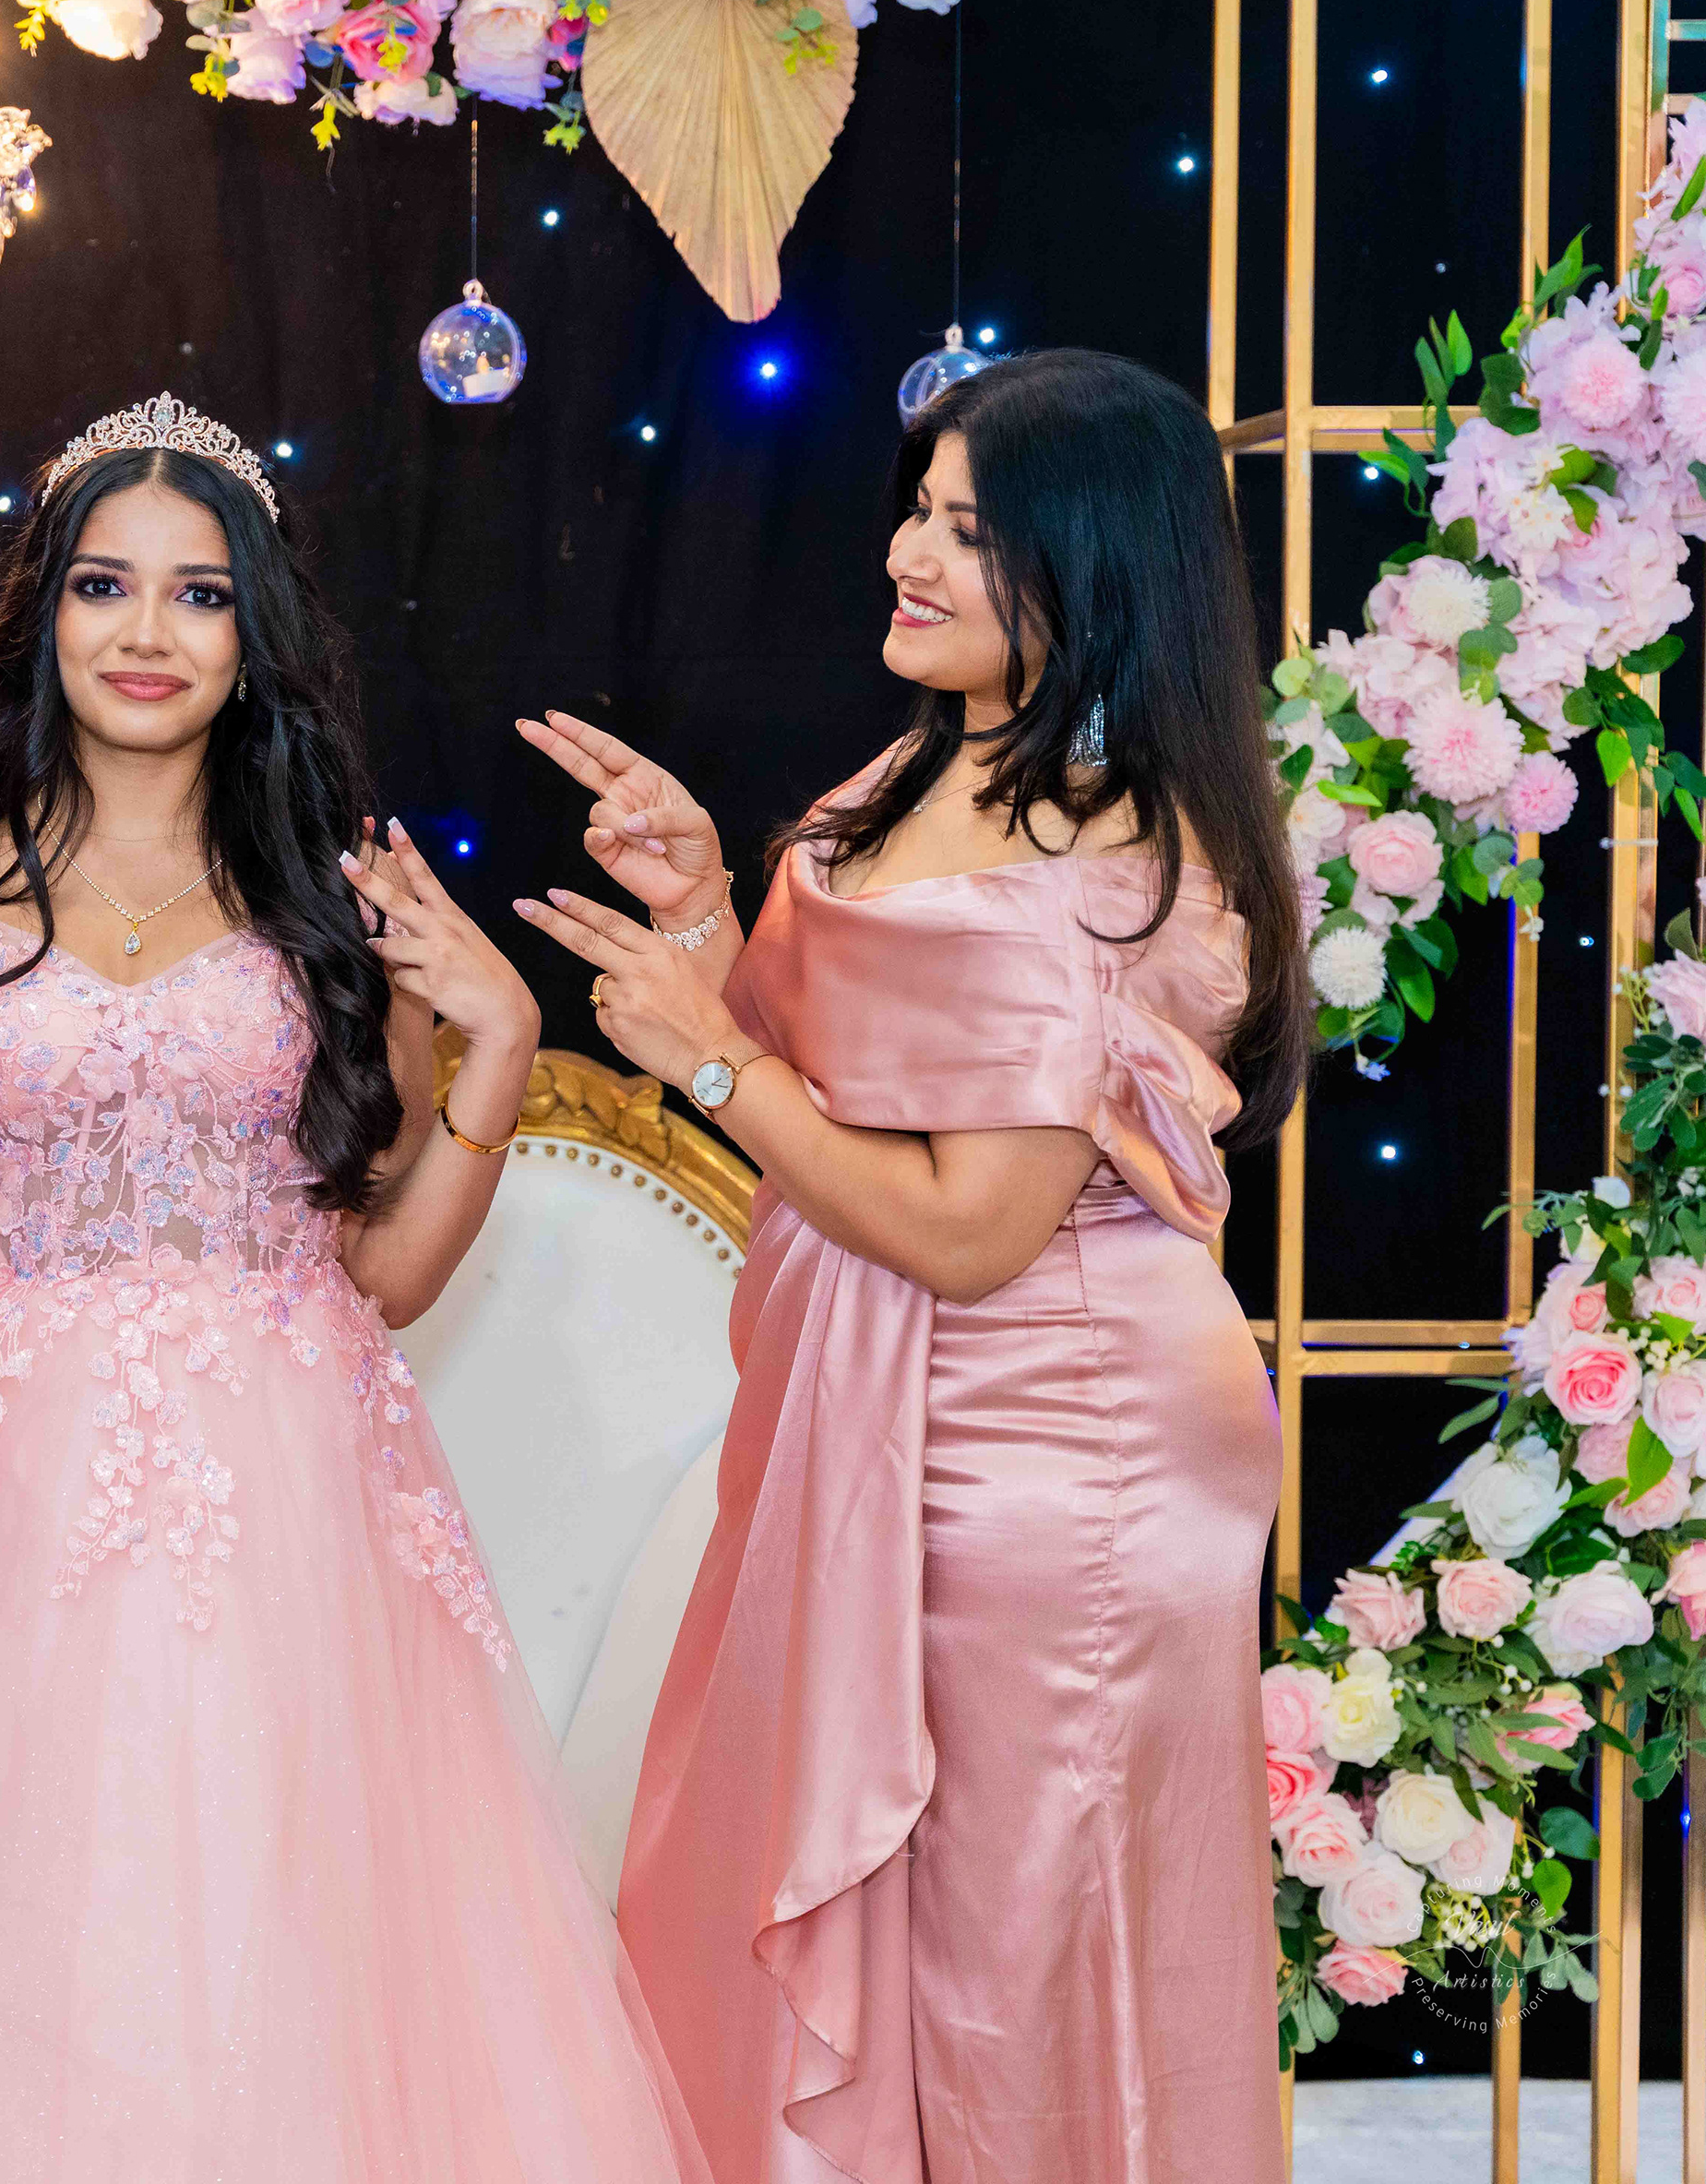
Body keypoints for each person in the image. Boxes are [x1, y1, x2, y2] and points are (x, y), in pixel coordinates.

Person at [0, 395, 713, 2184]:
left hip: (289, 1497)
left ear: (255, 634)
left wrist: (496, 1044)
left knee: (280, 1936)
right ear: (48, 615)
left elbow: (387, 1272)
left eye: (199, 593)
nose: (147, 631)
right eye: (105, 585)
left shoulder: (334, 904)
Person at [545, 348, 1306, 2184]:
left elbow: (971, 1226)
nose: (909, 554)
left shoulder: (1094, 847)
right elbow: (840, 1078)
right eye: (919, 510)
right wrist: (702, 908)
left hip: (1054, 1449)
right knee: (909, 1919)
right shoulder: (931, 767)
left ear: (1092, 562)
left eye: (969, 529)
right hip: (893, 1413)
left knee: (1016, 1948)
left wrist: (706, 1064)